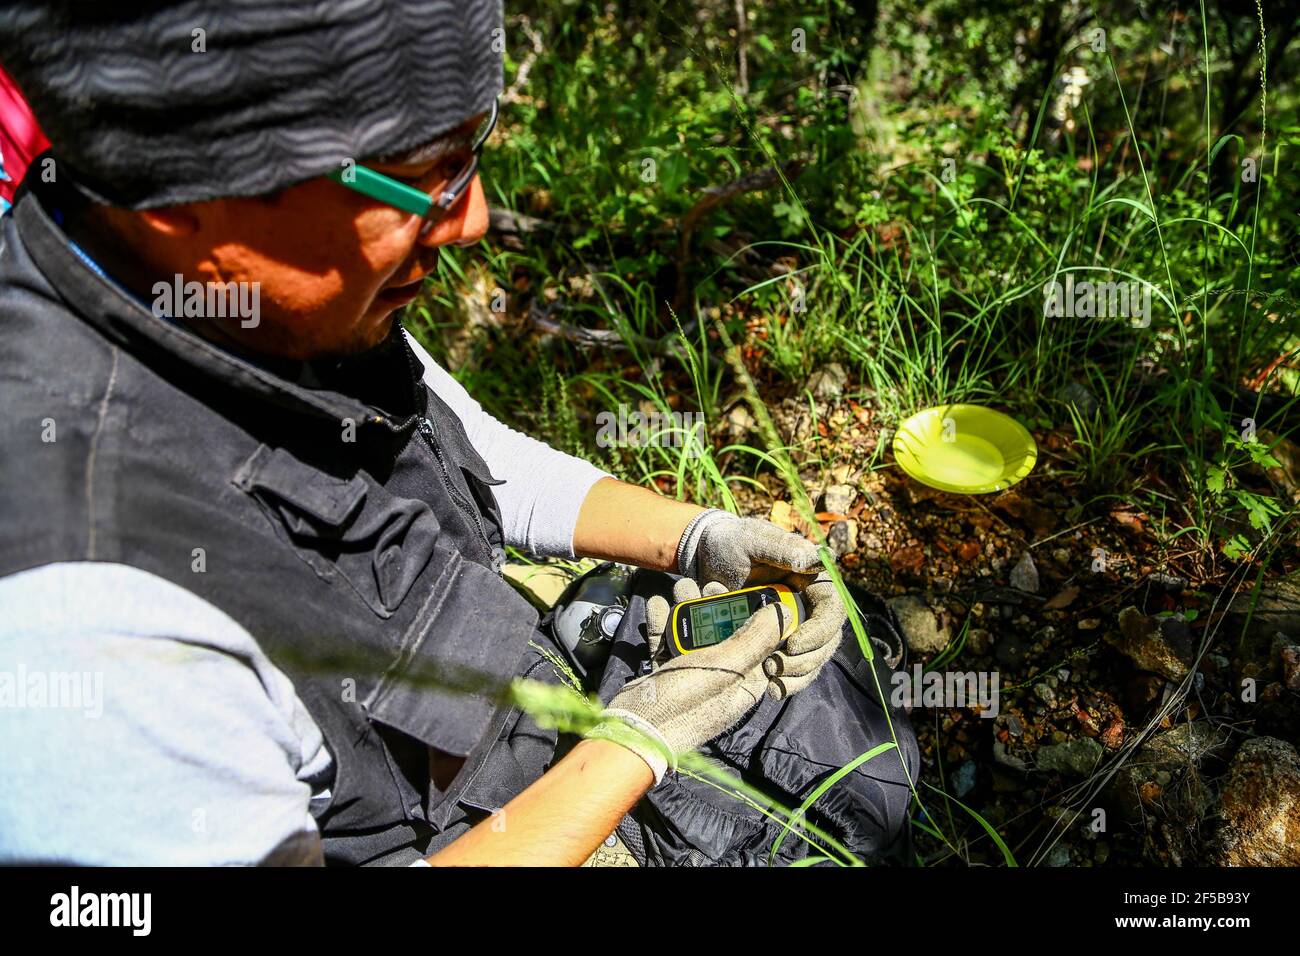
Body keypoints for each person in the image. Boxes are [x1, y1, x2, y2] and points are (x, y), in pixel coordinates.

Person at [0, 0, 899, 866]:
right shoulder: (88, 630)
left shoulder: (278, 297)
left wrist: (698, 539)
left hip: (507, 705)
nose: (469, 216)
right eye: (423, 172)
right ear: (179, 193)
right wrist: (639, 744)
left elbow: (469, 450)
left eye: (469, 154)